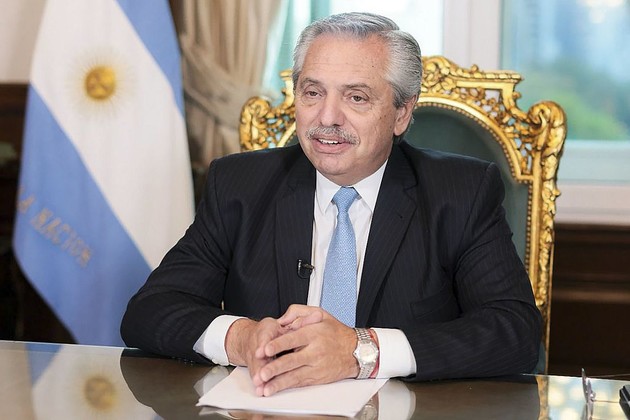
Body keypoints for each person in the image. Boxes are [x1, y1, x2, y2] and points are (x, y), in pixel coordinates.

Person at [121, 12, 542, 397]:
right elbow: (150, 311)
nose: (327, 118)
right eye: (312, 93)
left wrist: (361, 351)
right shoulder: (241, 185)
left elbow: (515, 332)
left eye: (356, 97)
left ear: (401, 113)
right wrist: (242, 338)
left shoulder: (460, 193)